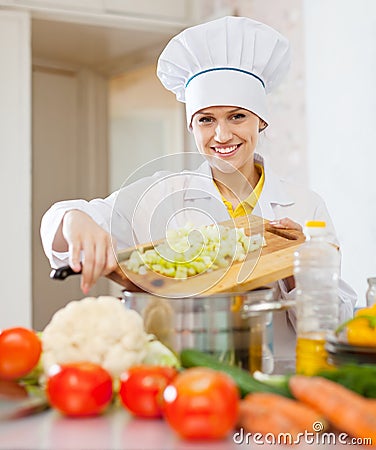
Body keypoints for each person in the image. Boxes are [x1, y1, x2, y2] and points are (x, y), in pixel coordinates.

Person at [41, 16, 356, 362]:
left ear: (260, 120)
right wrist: (73, 220)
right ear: (191, 125)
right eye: (206, 119)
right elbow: (63, 228)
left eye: (237, 116)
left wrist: (300, 271)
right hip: (187, 381)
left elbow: (337, 328)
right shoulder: (160, 196)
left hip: (280, 382)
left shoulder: (305, 207)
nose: (222, 136)